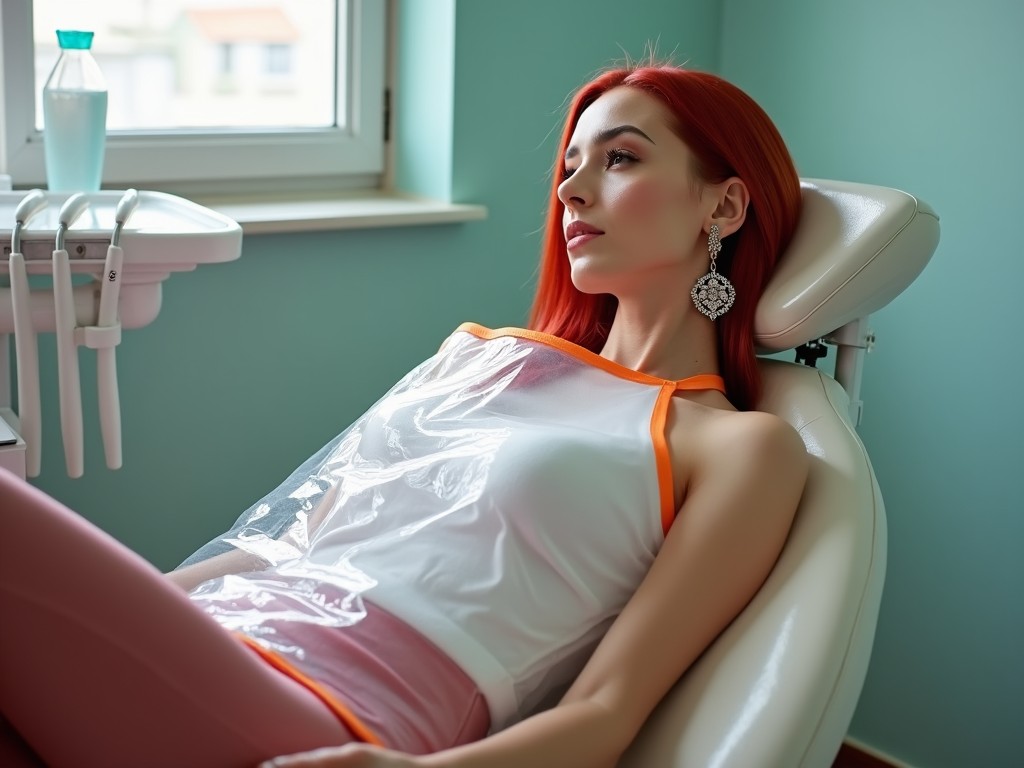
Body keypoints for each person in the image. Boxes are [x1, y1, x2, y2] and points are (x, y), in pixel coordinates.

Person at [0, 62, 808, 768]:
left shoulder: (740, 447)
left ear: (725, 207)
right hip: (214, 640)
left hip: (327, 710)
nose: (569, 189)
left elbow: (607, 713)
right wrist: (123, 614)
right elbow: (290, 544)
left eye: (621, 157)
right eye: (569, 165)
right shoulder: (485, 360)